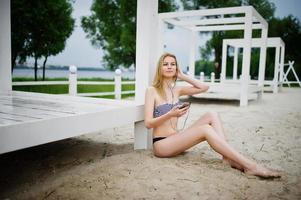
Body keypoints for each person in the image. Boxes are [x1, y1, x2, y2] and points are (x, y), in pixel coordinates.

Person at [144, 53, 281, 178]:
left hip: (177, 139)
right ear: (159, 68)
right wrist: (170, 114)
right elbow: (148, 123)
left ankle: (227, 159)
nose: (169, 67)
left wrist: (183, 76)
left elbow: (204, 87)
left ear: (176, 68)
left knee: (212, 114)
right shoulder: (152, 91)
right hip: (162, 145)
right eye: (165, 64)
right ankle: (251, 166)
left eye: (173, 64)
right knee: (205, 129)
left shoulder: (178, 90)